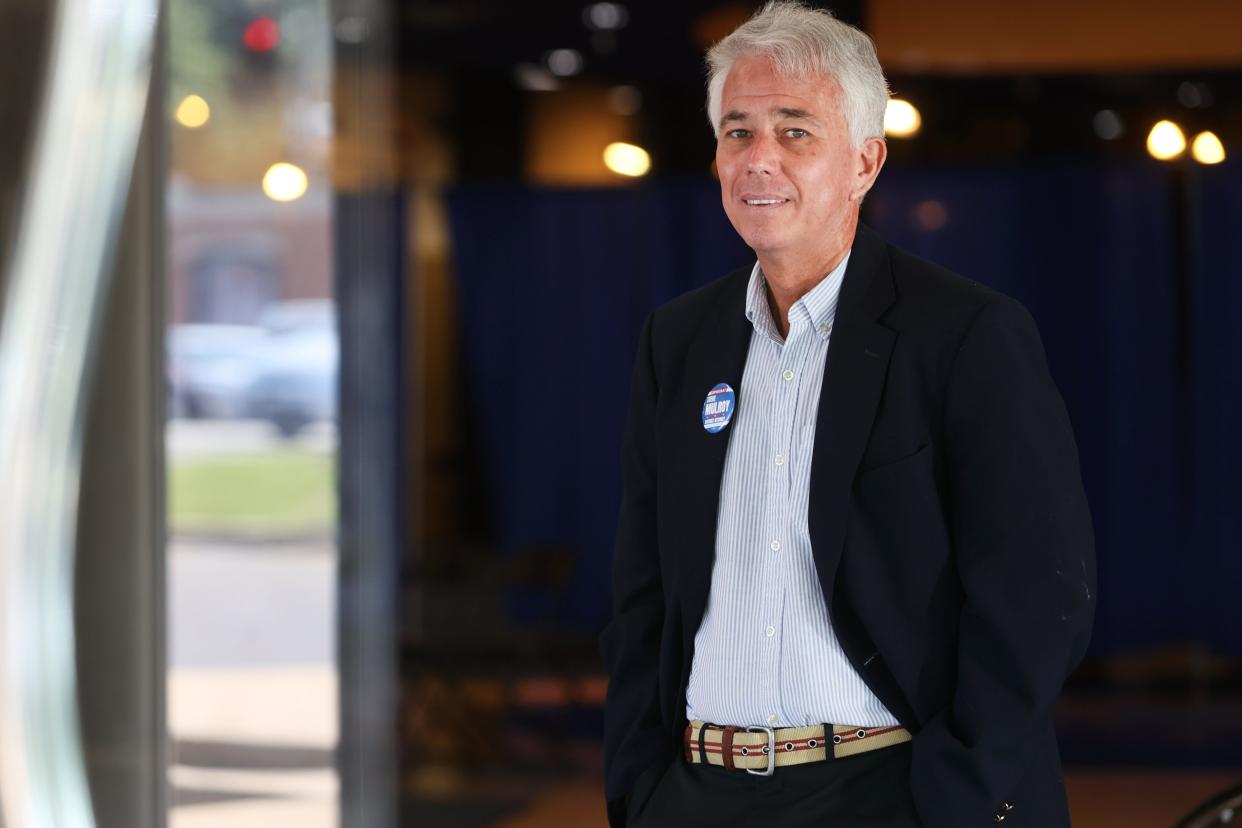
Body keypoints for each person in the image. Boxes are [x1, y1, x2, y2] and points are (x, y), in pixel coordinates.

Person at [599, 2, 1096, 826]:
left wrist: (954, 797)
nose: (759, 159)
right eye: (737, 131)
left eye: (795, 131)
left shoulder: (965, 334)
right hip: (695, 795)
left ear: (865, 162)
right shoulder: (678, 342)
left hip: (888, 793)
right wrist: (639, 788)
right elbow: (641, 593)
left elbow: (1038, 600)